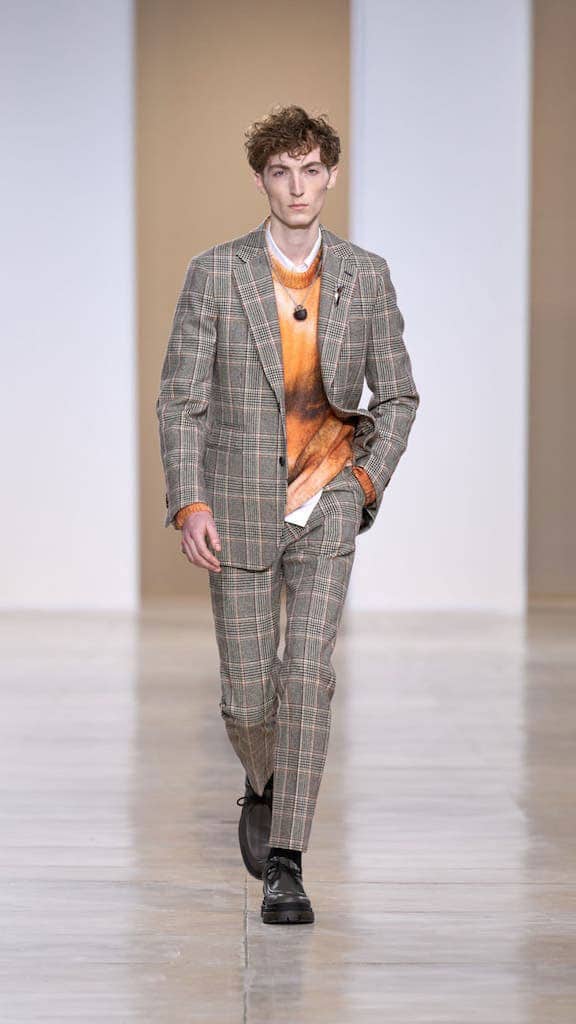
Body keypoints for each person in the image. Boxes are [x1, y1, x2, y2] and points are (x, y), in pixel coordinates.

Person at [156, 104, 420, 925]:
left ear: (331, 176)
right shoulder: (215, 273)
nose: (297, 187)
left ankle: (287, 862)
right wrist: (189, 499)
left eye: (310, 170)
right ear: (261, 180)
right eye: (281, 172)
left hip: (329, 498)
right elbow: (180, 399)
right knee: (247, 697)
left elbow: (399, 393)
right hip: (236, 505)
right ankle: (262, 779)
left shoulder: (365, 275)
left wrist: (365, 482)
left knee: (307, 674)